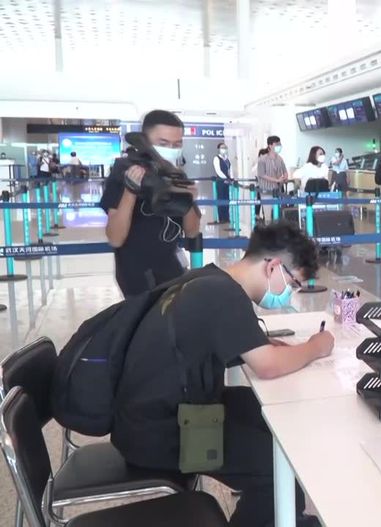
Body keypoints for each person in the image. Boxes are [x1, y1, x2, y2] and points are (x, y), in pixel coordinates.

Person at [111, 221, 335, 527]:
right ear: (273, 267)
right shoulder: (224, 295)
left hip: (159, 412)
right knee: (273, 465)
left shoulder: (210, 279)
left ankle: (283, 516)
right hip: (160, 432)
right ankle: (272, 515)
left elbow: (220, 342)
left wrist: (266, 346)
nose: (290, 294)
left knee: (269, 420)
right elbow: (267, 365)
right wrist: (315, 347)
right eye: (293, 284)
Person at [101, 110, 202, 297]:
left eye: (177, 144)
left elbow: (192, 231)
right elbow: (115, 238)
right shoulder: (125, 171)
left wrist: (188, 200)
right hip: (138, 277)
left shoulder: (177, 174)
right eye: (163, 143)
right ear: (145, 140)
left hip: (172, 271)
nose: (171, 149)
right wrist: (131, 190)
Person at [256, 135, 288, 223]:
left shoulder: (280, 159)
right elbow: (262, 174)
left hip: (278, 191)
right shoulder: (262, 159)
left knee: (278, 216)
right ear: (270, 145)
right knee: (268, 216)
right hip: (266, 191)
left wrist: (285, 177)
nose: (279, 146)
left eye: (280, 144)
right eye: (277, 144)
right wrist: (276, 180)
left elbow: (285, 171)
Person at [212, 143, 233, 224]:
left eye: (225, 147)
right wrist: (225, 178)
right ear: (218, 149)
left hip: (227, 182)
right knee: (221, 198)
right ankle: (221, 218)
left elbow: (230, 169)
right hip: (220, 181)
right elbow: (218, 170)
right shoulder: (216, 158)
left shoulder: (227, 159)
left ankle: (226, 217)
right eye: (222, 147)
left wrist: (230, 178)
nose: (224, 149)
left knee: (227, 199)